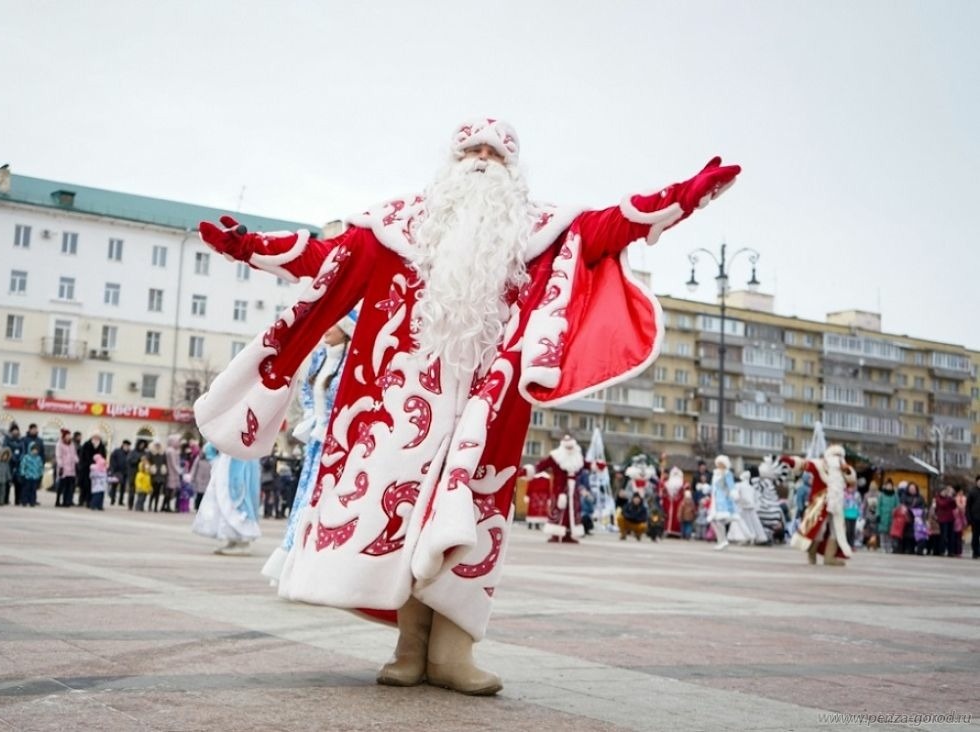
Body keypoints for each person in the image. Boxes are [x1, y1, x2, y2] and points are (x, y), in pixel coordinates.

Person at [195, 118, 739, 695]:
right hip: (401, 401)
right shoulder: (396, 226)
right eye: (471, 150)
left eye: (494, 153)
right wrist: (251, 247)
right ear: (451, 162)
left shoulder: (542, 229)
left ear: (511, 167)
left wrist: (685, 196)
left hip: (491, 404)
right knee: (398, 519)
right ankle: (409, 650)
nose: (481, 160)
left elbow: (614, 225)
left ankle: (453, 654)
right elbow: (327, 259)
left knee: (472, 520)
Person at [263, 317, 354, 582]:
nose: (326, 328)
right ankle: (293, 565)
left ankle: (322, 569)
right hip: (317, 441)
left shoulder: (351, 362)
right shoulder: (319, 358)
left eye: (334, 324)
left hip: (339, 443)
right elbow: (306, 390)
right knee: (306, 497)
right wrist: (314, 417)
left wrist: (334, 424)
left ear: (347, 331)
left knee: (328, 500)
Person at [781, 446, 857, 566]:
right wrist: (789, 460)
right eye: (835, 455)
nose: (837, 459)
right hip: (819, 504)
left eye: (840, 456)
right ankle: (811, 554)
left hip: (836, 505)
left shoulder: (844, 469)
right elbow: (803, 464)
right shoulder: (819, 465)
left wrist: (847, 471)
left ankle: (829, 557)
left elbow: (851, 480)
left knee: (837, 531)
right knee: (818, 530)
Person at [192, 443, 262, 555]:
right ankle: (233, 539)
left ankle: (243, 541)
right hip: (230, 456)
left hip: (241, 455)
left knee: (239, 496)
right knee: (225, 498)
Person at [527, 435, 586, 543]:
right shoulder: (555, 456)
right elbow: (542, 465)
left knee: (572, 512)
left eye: (571, 447)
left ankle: (569, 534)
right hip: (560, 490)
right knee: (557, 511)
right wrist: (530, 470)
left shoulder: (578, 458)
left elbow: (587, 464)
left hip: (574, 492)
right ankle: (555, 533)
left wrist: (598, 465)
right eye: (567, 447)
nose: (569, 450)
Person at [707, 455, 739, 551]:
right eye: (718, 463)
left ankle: (723, 541)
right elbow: (713, 487)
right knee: (713, 521)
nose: (719, 465)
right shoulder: (716, 474)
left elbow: (731, 485)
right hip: (715, 501)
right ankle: (721, 540)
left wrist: (734, 493)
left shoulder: (727, 474)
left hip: (724, 501)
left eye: (721, 464)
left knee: (720, 521)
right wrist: (705, 488)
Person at [54, 429, 78, 507]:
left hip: (71, 468)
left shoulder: (72, 444)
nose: (69, 437)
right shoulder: (59, 444)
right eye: (67, 435)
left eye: (69, 435)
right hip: (63, 468)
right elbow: (58, 456)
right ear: (64, 436)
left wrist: (77, 461)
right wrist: (60, 465)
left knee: (69, 486)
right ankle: (57, 500)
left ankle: (66, 501)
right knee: (61, 486)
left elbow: (74, 454)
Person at [3, 423, 25, 505]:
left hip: (19, 463)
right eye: (14, 430)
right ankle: (5, 499)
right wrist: (11, 457)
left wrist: (20, 458)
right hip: (9, 462)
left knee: (18, 482)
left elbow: (23, 450)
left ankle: (18, 499)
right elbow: (5, 449)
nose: (15, 432)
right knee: (8, 481)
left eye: (17, 430)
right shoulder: (7, 439)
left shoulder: (21, 440)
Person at [877, 479, 899, 554]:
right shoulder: (881, 495)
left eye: (890, 486)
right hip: (883, 516)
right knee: (883, 533)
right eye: (888, 485)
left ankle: (889, 547)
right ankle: (883, 546)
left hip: (892, 517)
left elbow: (898, 506)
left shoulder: (895, 495)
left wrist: (896, 512)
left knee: (890, 533)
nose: (889, 487)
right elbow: (878, 506)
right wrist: (878, 515)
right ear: (885, 486)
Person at [189, 443, 213, 512]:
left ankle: (202, 507)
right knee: (199, 494)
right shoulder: (199, 459)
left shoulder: (211, 460)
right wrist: (192, 477)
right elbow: (194, 468)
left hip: (207, 479)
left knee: (204, 494)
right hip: (199, 478)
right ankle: (197, 506)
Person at [108, 439, 131, 506]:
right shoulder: (117, 451)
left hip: (125, 473)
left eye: (128, 446)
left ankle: (120, 501)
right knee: (114, 486)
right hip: (117, 472)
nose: (127, 447)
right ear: (123, 445)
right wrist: (113, 468)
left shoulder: (129, 453)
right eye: (126, 445)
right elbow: (112, 460)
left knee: (123, 488)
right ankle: (112, 500)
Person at [966, 477, 980, 559]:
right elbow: (968, 507)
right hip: (975, 518)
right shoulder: (972, 492)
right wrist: (969, 518)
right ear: (976, 482)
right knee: (975, 536)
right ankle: (975, 552)